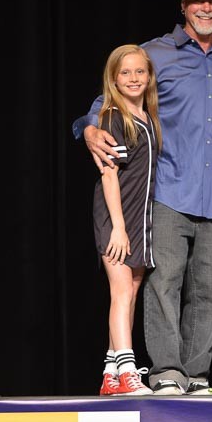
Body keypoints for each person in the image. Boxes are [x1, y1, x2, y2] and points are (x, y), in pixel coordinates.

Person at [73, 0, 212, 395]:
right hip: (168, 190)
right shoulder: (155, 54)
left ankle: (196, 374)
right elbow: (108, 99)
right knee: (163, 285)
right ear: (184, 6)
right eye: (197, 1)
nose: (206, 8)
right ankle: (167, 372)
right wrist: (89, 128)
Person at [88, 45, 161, 396]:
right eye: (125, 73)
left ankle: (111, 371)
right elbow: (109, 174)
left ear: (149, 76)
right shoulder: (113, 117)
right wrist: (117, 226)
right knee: (120, 292)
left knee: (131, 292)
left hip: (138, 217)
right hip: (115, 216)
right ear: (114, 79)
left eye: (139, 72)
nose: (133, 78)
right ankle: (129, 372)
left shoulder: (148, 117)